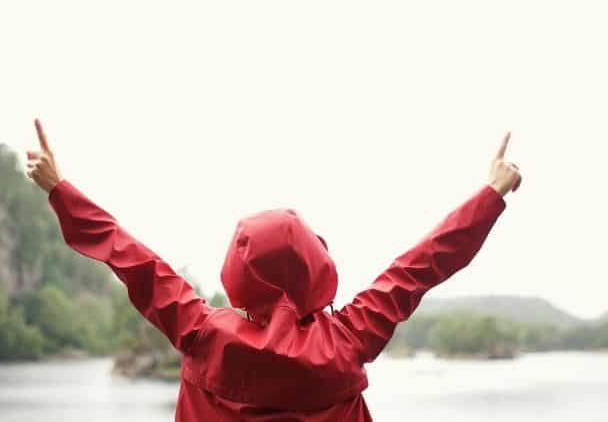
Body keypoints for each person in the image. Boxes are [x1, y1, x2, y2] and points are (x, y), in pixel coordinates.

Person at [26, 119, 521, 422]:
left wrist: (59, 189)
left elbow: (130, 258)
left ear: (237, 272)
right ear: (317, 267)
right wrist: (490, 194)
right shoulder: (349, 338)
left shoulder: (203, 332)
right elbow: (422, 265)